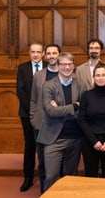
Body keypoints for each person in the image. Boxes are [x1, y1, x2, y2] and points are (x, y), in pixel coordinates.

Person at [36, 52, 86, 192]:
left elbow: (84, 110)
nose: (67, 67)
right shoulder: (48, 86)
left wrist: (60, 109)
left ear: (73, 66)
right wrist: (74, 106)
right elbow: (50, 111)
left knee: (70, 177)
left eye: (70, 64)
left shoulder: (81, 84)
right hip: (54, 138)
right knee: (51, 176)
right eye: (63, 64)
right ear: (57, 66)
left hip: (75, 137)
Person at [78, 62, 105, 178]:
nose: (101, 78)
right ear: (93, 77)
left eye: (103, 75)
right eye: (98, 75)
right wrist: (94, 141)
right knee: (91, 175)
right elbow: (82, 119)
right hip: (90, 142)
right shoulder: (86, 96)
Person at [30, 43, 61, 193]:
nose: (51, 56)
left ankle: (60, 192)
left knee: (59, 164)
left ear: (59, 55)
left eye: (54, 53)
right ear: (45, 56)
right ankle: (45, 192)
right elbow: (33, 100)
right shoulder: (39, 75)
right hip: (41, 125)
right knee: (42, 162)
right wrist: (33, 119)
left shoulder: (67, 74)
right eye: (48, 53)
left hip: (61, 125)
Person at [16, 42, 45, 192]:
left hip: (47, 114)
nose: (35, 54)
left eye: (38, 52)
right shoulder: (22, 68)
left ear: (43, 53)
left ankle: (45, 176)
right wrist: (34, 110)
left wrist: (43, 109)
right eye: (32, 52)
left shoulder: (49, 67)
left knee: (45, 145)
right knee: (30, 145)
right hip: (27, 114)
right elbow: (20, 91)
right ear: (29, 53)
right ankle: (27, 177)